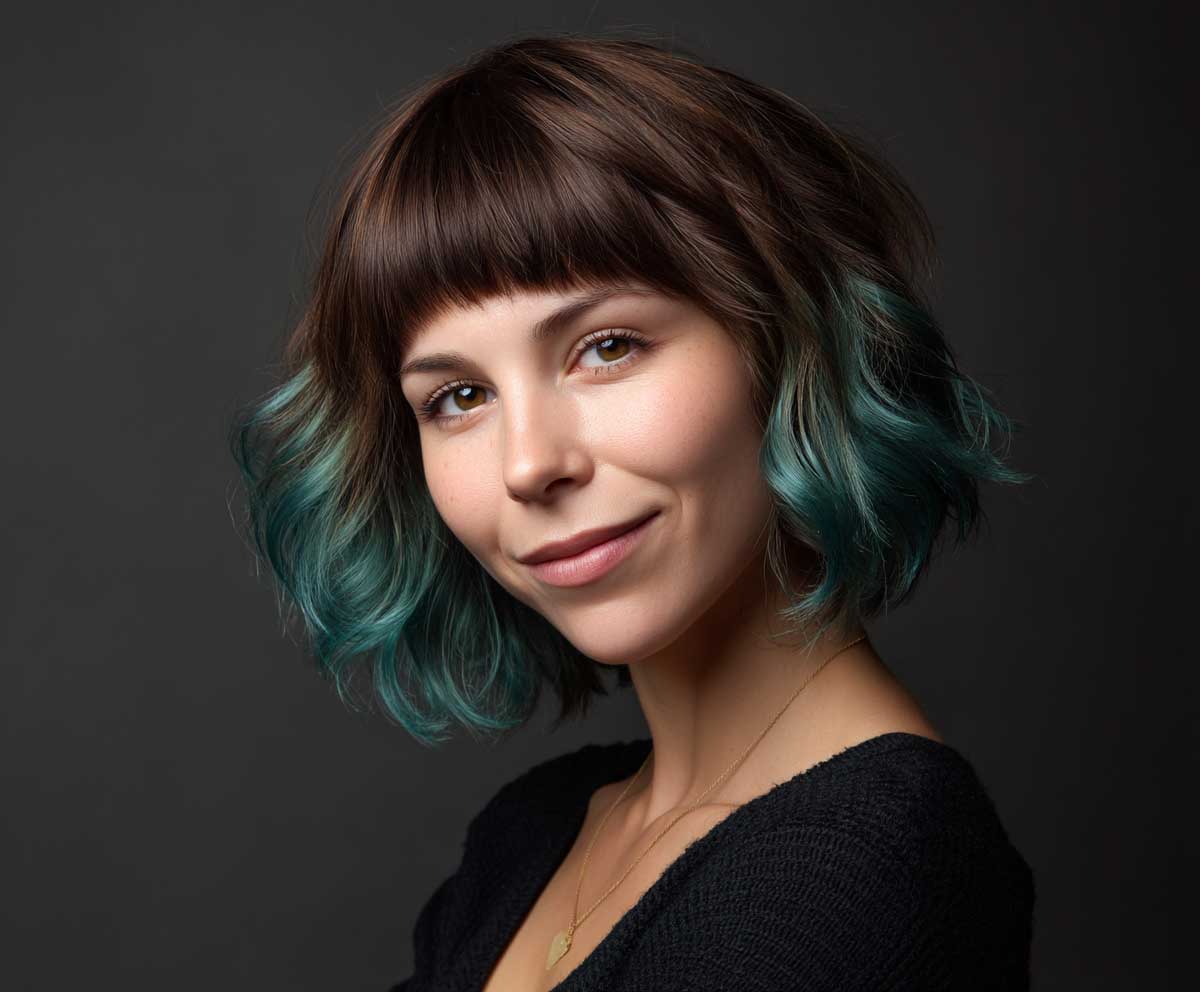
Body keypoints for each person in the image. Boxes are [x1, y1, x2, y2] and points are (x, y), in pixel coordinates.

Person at [230, 33, 1036, 992]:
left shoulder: (862, 874)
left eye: (605, 346)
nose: (530, 464)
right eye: (457, 398)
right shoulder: (535, 834)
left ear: (787, 341)